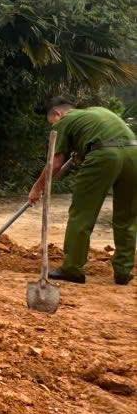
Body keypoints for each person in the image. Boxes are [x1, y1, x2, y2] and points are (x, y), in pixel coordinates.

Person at [28, 97, 136, 285]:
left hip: (104, 155)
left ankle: (72, 269)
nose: (53, 126)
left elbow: (56, 163)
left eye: (51, 122)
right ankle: (123, 271)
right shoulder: (98, 112)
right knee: (127, 216)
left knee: (82, 214)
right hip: (134, 154)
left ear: (57, 114)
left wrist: (37, 188)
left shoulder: (63, 121)